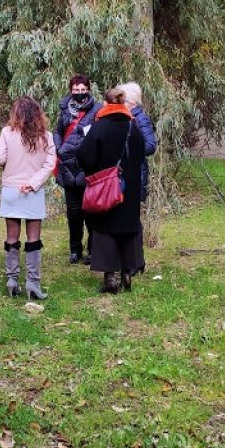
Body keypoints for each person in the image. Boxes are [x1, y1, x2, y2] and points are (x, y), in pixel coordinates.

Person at [76, 87, 145, 294]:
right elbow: (142, 153)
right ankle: (126, 272)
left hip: (107, 187)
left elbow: (84, 155)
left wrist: (95, 171)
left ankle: (110, 278)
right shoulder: (133, 126)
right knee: (127, 228)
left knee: (106, 229)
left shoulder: (100, 126)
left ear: (106, 103)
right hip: (129, 188)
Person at [0, 96, 56, 299]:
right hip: (33, 191)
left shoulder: (7, 133)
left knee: (12, 236)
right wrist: (33, 182)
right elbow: (49, 164)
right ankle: (33, 283)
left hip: (12, 189)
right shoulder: (46, 136)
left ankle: (12, 280)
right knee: (34, 238)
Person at [54, 74, 101, 264]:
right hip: (67, 166)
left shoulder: (97, 110)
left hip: (87, 167)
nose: (79, 94)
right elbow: (57, 131)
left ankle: (93, 249)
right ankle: (75, 249)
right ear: (71, 91)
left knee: (90, 212)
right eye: (76, 90)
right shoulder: (65, 110)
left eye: (83, 90)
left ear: (88, 90)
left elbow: (99, 135)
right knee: (73, 213)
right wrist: (59, 148)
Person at [117, 82, 156, 275]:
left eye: (121, 99)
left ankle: (135, 262)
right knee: (129, 219)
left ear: (130, 101)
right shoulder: (125, 118)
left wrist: (128, 151)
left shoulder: (141, 119)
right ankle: (134, 260)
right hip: (127, 174)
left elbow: (151, 145)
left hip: (136, 175)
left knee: (133, 220)